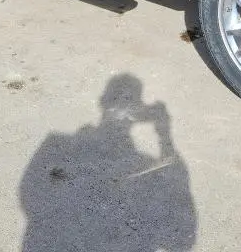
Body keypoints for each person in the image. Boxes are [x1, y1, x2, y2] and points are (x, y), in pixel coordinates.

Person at [19, 74, 197, 252]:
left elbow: (28, 194)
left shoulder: (57, 144)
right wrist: (164, 133)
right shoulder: (144, 161)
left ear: (102, 101)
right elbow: (181, 240)